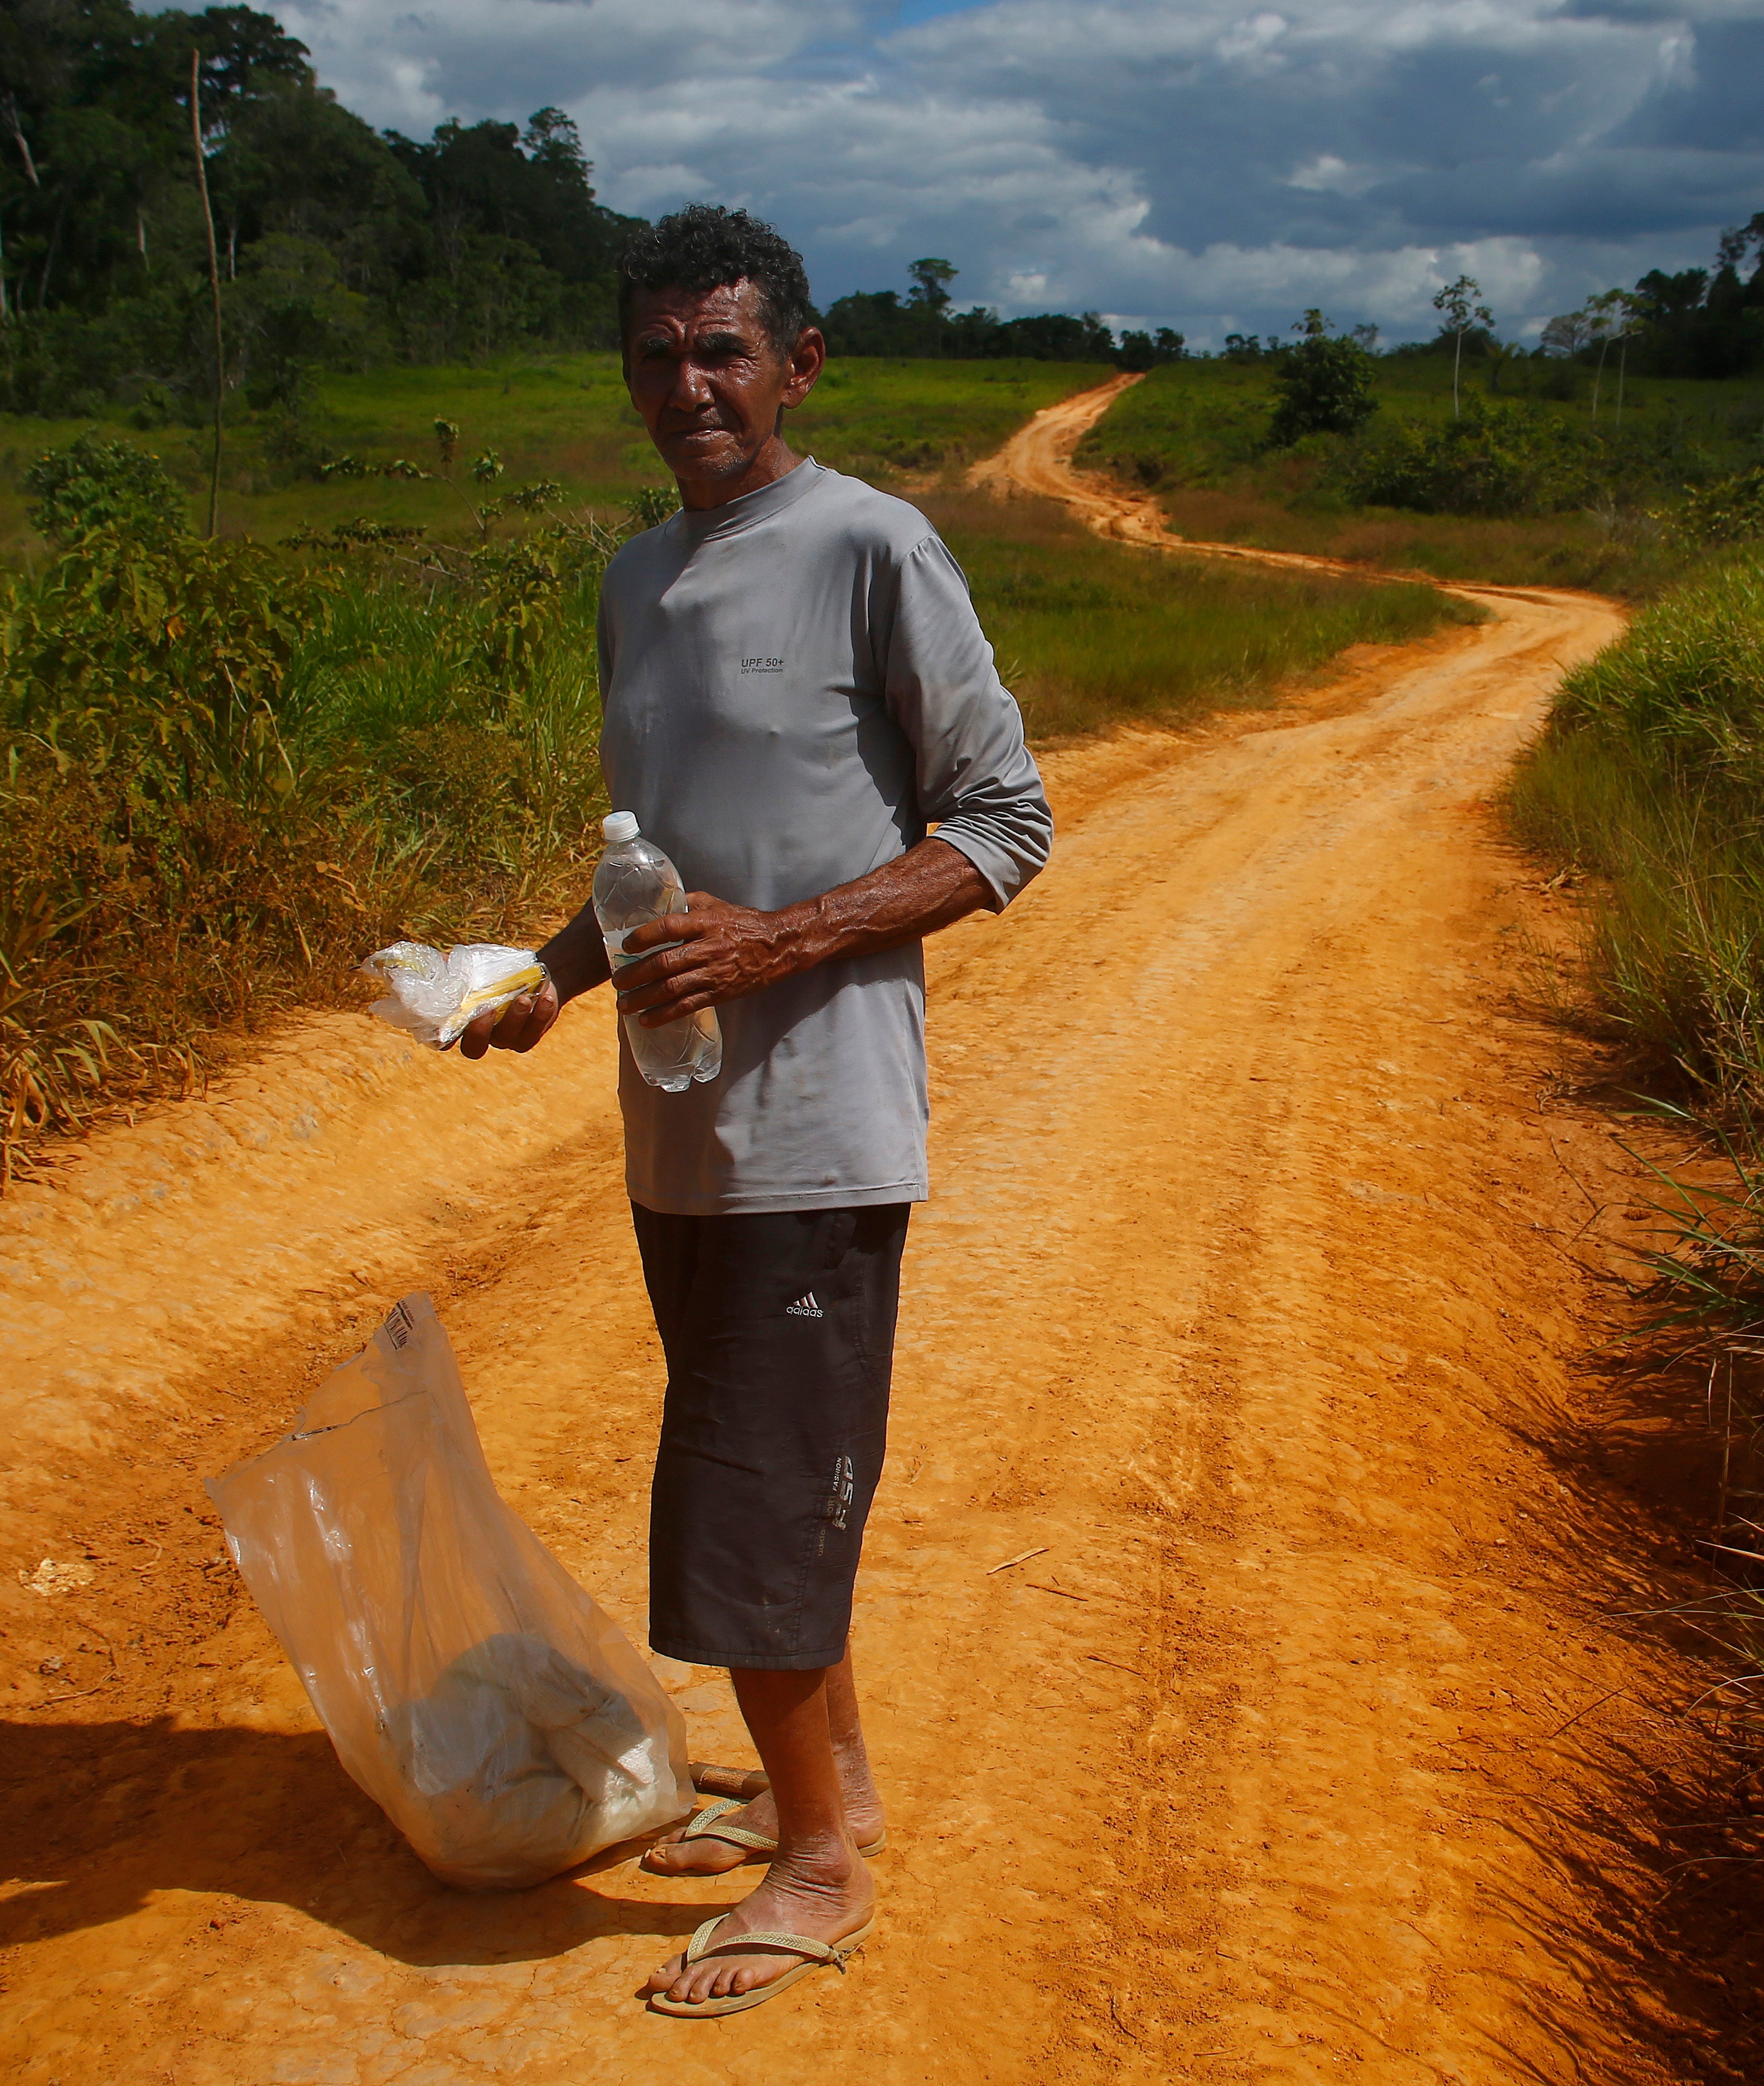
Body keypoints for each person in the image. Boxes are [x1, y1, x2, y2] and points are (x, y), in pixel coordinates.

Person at [455, 205, 1051, 2018]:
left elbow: (1003, 825)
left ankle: (820, 1872)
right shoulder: (636, 578)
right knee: (764, 1472)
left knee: (748, 1493)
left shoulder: (872, 544)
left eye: (722, 350)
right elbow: (648, 867)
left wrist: (782, 942)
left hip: (820, 1120)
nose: (688, 385)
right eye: (656, 354)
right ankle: (831, 1790)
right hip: (681, 1125)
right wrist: (552, 974)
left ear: (799, 364)